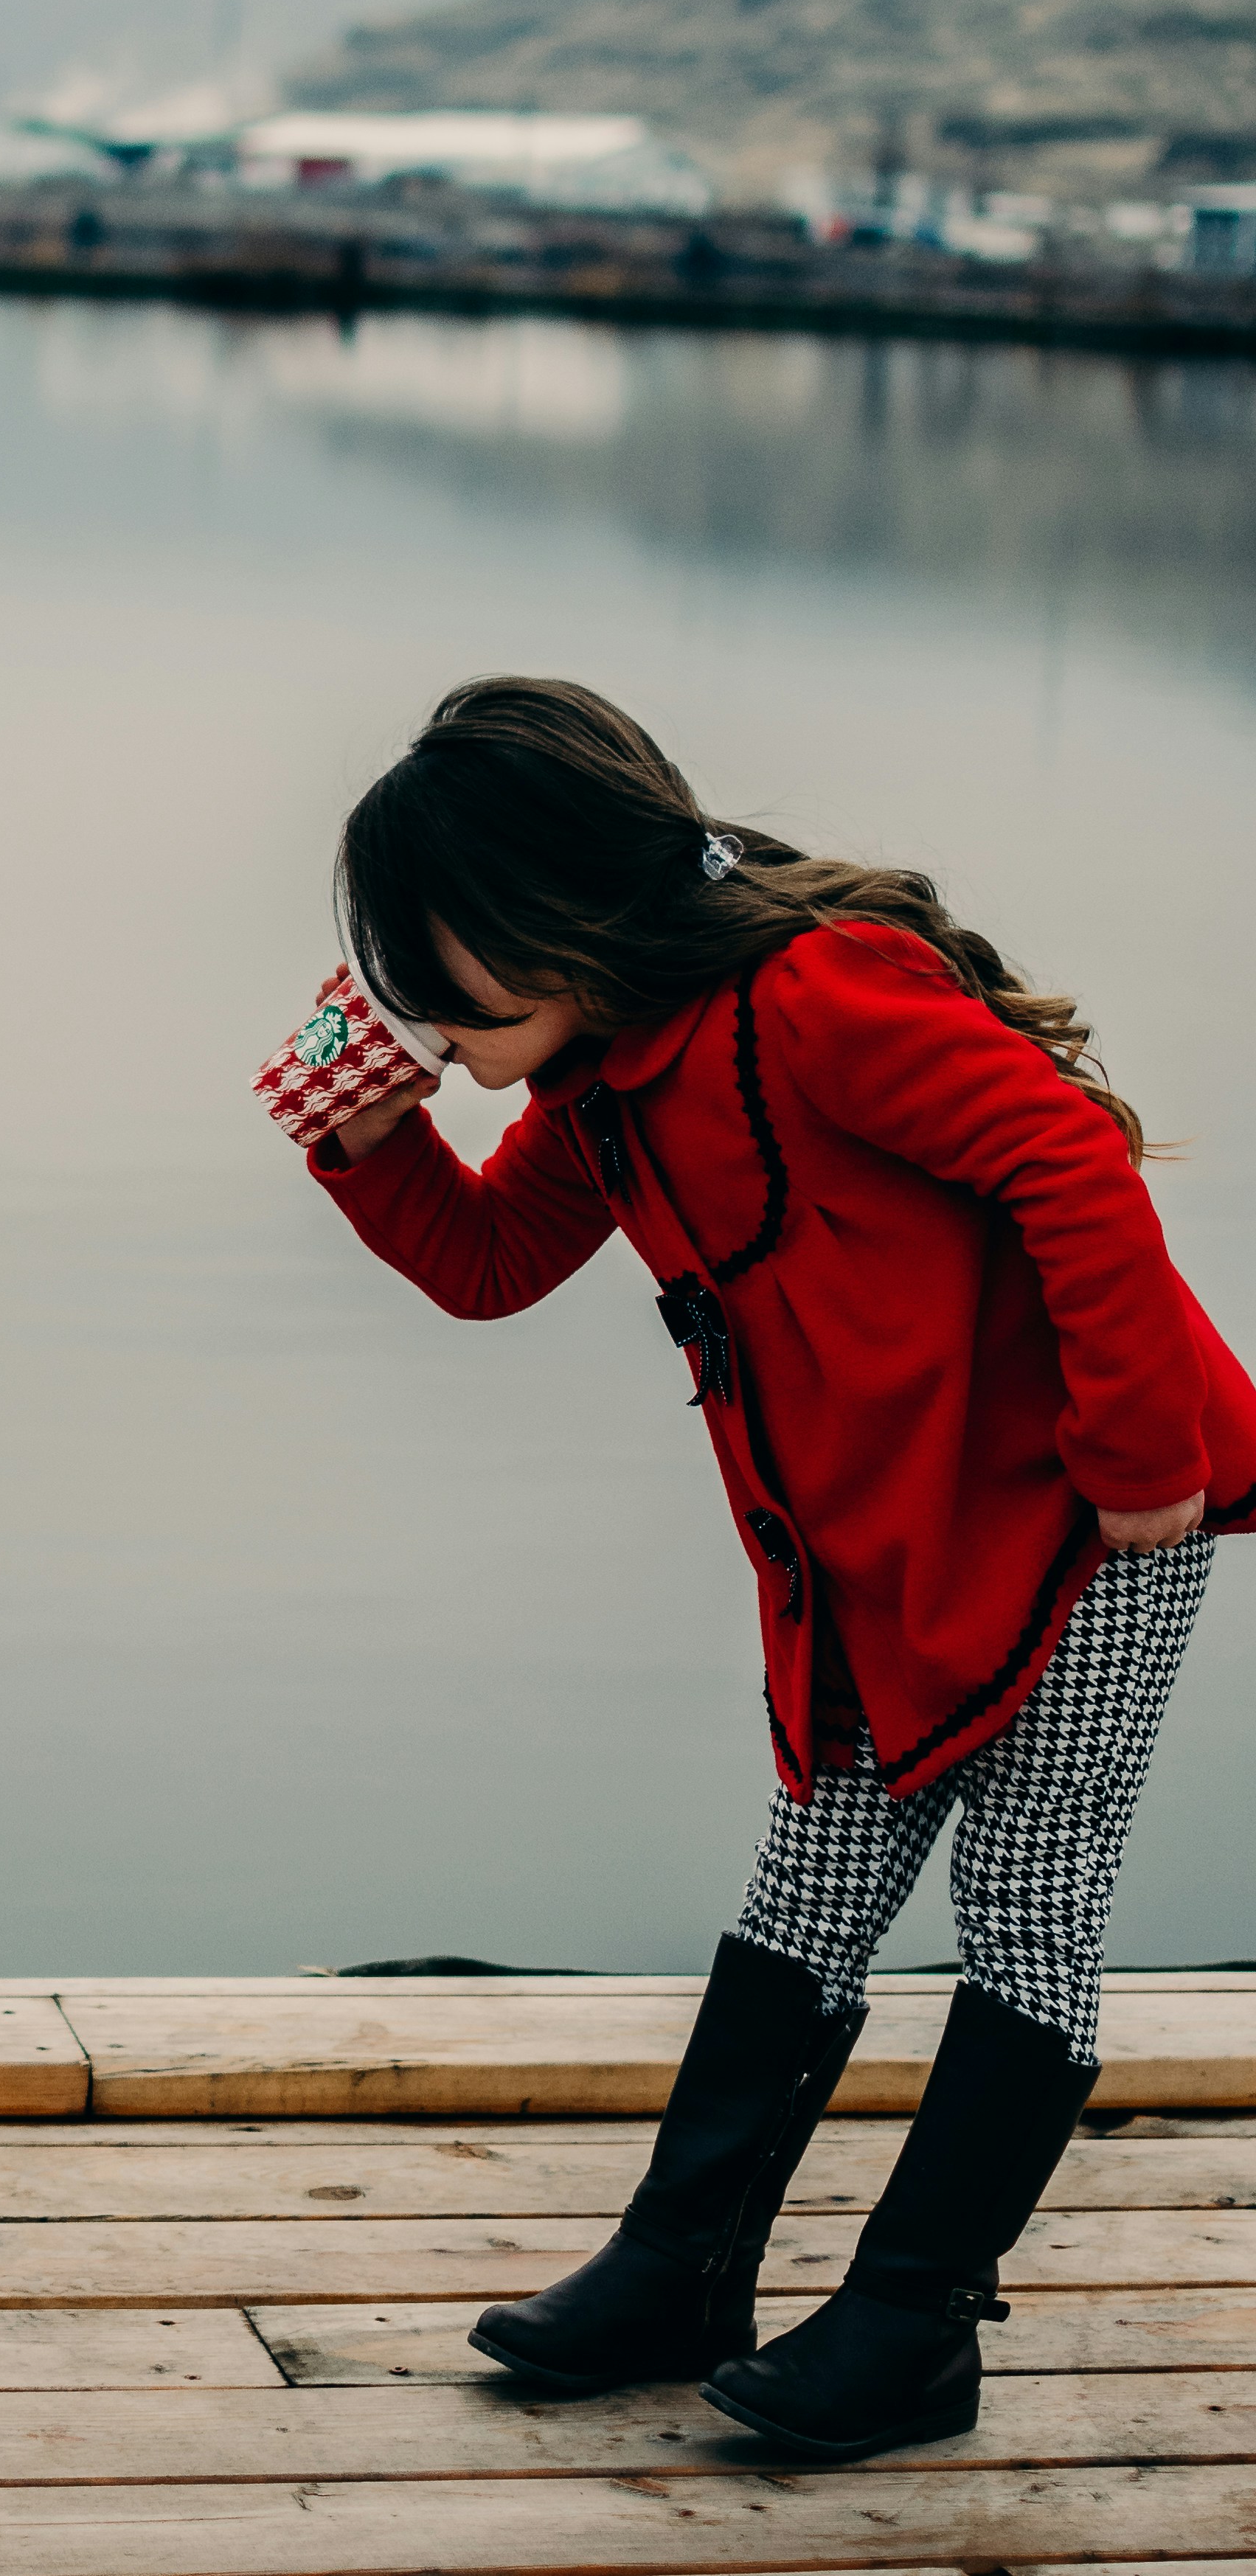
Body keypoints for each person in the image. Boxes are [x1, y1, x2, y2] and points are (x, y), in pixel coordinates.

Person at [307, 676, 1254, 2463]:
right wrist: (373, 1141)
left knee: (1029, 1901)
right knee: (812, 1881)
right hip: (868, 1543)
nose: (422, 1011)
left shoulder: (813, 999)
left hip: (1087, 1511)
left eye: (446, 974)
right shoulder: (603, 1069)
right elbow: (497, 1261)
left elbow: (1069, 1164)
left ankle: (913, 2321)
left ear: (554, 916)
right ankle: (680, 2264)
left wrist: (1140, 1462)